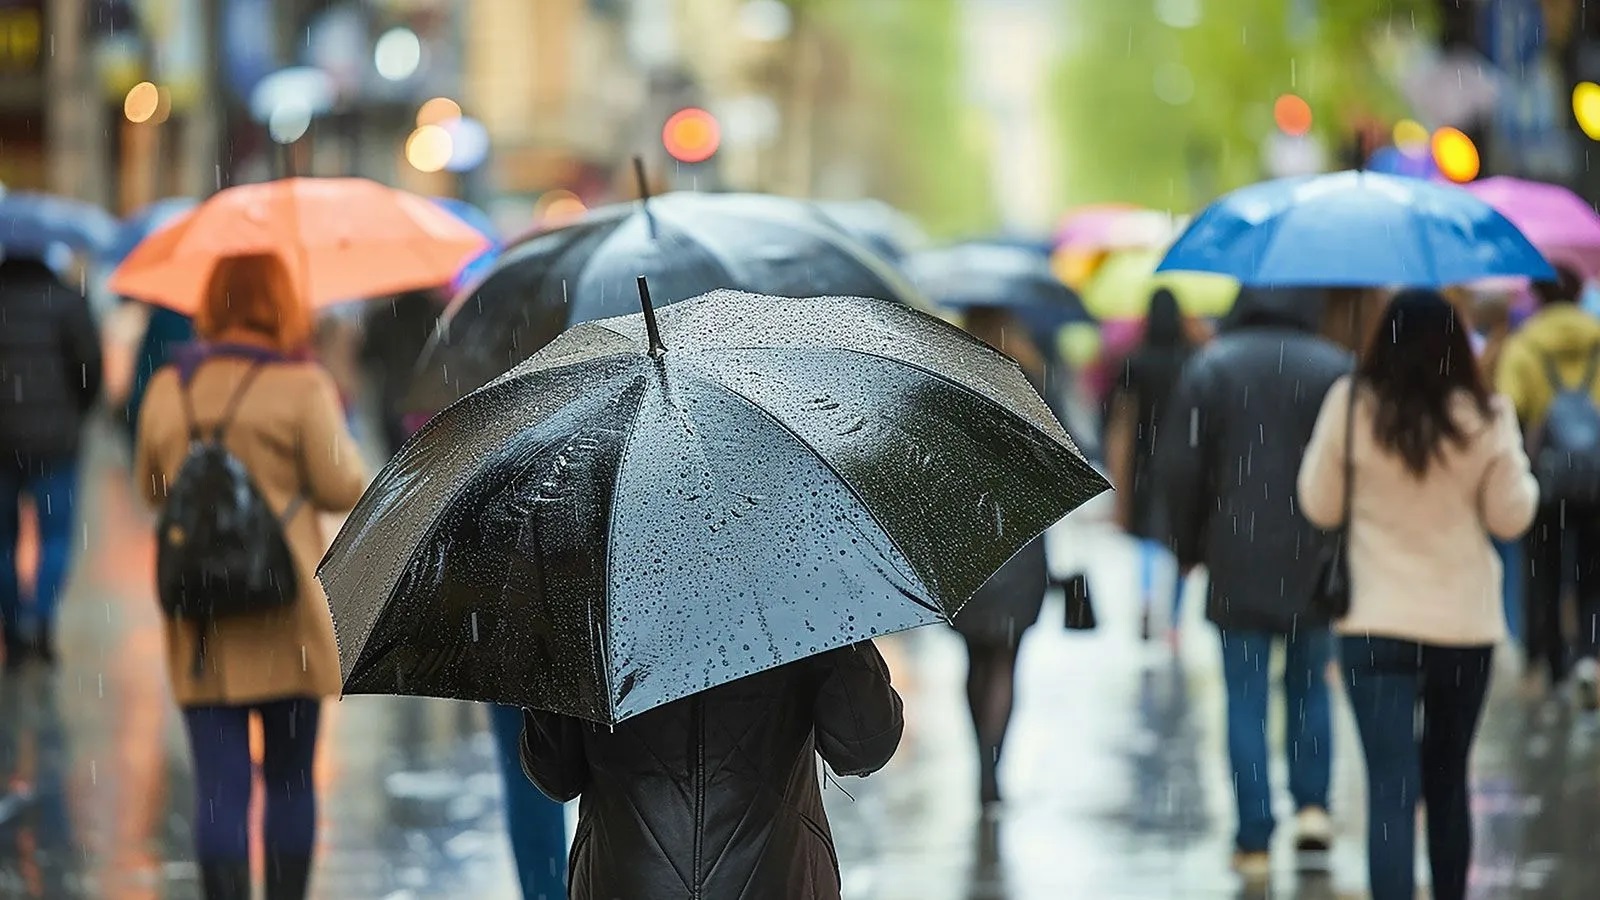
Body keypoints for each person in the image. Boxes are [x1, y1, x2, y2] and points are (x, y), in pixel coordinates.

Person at [134, 253, 367, 900]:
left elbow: (151, 489)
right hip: (284, 609)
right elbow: (342, 485)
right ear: (281, 304)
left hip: (201, 613)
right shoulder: (301, 385)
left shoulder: (168, 387)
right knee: (290, 780)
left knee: (219, 786)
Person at [1299, 290, 1537, 900]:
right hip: (1462, 626)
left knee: (1390, 786)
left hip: (1375, 622)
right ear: (1457, 344)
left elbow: (1318, 504)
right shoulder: (1486, 416)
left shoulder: (1352, 404)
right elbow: (1511, 519)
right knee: (1448, 778)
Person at [1154, 286, 1348, 880]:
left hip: (1235, 552)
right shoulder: (1335, 366)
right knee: (1311, 683)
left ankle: (1255, 837)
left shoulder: (1212, 365)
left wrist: (1187, 547)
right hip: (1316, 554)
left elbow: (1182, 468)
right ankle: (1313, 806)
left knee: (1244, 696)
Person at [521, 643, 904, 899]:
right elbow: (863, 748)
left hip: (624, 877)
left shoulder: (585, 588)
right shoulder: (794, 574)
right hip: (779, 873)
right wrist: (841, 626)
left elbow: (556, 774)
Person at [955, 306, 1051, 807]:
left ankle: (981, 761)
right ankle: (995, 764)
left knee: (975, 657)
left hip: (967, 544)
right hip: (1020, 542)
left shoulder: (946, 377)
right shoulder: (1028, 382)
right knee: (1007, 662)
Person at [1494, 265, 1600, 706]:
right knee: (1593, 575)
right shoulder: (1597, 337)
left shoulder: (1525, 345)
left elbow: (1507, 407)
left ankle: (1550, 665)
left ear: (1537, 295)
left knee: (1545, 573)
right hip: (1598, 479)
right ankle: (1589, 658)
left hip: (1545, 479)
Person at [0, 253, 103, 667]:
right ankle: (41, 618)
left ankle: (14, 626)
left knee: (3, 542)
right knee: (56, 536)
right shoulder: (67, 301)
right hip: (56, 443)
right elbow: (89, 369)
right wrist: (76, 413)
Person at [1106, 289, 1194, 641]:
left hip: (1144, 459)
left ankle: (1145, 599)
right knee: (1180, 540)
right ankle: (1173, 618)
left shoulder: (1135, 362)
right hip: (1184, 460)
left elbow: (1121, 418)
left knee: (1146, 537)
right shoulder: (1192, 360)